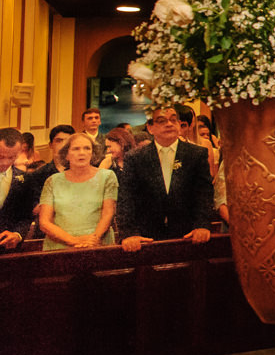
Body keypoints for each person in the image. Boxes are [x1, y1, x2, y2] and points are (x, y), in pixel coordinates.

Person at [117, 105, 214, 251]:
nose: (169, 124)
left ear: (179, 125)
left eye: (173, 120)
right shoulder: (135, 157)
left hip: (188, 236)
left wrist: (202, 225)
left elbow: (204, 193)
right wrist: (129, 233)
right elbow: (126, 197)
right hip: (147, 239)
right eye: (162, 121)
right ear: (150, 128)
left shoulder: (196, 154)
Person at [38, 133, 118, 250]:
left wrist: (93, 239)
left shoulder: (107, 177)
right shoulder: (53, 181)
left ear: (92, 153)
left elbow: (108, 214)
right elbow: (44, 222)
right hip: (59, 246)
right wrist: (74, 241)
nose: (82, 153)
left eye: (87, 148)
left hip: (96, 244)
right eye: (76, 149)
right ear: (66, 154)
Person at [0, 127, 39, 249]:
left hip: (6, 247)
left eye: (12, 158)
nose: (5, 163)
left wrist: (17, 235)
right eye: (0, 157)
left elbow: (26, 216)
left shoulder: (24, 179)